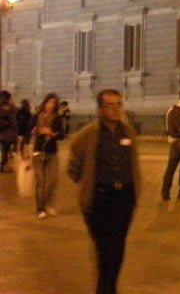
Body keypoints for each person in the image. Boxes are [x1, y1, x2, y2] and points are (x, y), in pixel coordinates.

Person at [67, 89, 142, 294]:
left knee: (117, 249)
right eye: (110, 105)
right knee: (104, 250)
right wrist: (86, 181)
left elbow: (133, 163)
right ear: (100, 109)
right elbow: (73, 165)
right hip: (99, 198)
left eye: (119, 104)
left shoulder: (128, 132)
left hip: (123, 198)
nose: (116, 109)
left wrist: (135, 191)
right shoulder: (88, 134)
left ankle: (108, 289)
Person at [27, 91, 67, 217]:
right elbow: (28, 132)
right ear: (45, 103)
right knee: (41, 180)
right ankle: (40, 208)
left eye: (54, 103)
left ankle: (48, 203)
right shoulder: (37, 116)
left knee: (52, 181)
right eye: (49, 102)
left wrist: (51, 133)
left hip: (51, 152)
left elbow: (62, 135)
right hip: (38, 151)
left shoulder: (57, 118)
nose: (51, 105)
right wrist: (33, 133)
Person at [0, 90, 17, 171]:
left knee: (7, 151)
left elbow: (14, 120)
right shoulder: (3, 109)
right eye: (10, 98)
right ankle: (3, 166)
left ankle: (5, 166)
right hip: (4, 135)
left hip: (10, 134)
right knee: (4, 151)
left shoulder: (10, 108)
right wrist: (8, 123)